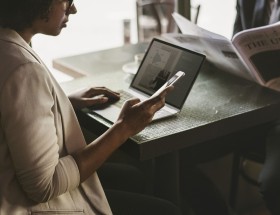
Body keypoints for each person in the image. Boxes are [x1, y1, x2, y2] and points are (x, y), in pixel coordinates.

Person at [0, 0, 181, 214]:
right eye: (66, 1)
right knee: (166, 209)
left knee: (132, 177)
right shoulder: (24, 69)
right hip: (26, 205)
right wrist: (123, 128)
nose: (73, 9)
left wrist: (60, 102)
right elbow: (44, 187)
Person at [233, 1, 280, 214]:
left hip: (279, 119)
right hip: (251, 107)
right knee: (181, 155)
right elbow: (235, 46)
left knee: (275, 185)